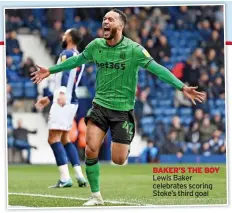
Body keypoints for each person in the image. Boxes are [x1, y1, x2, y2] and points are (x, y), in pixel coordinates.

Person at [31, 9, 205, 205]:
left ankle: (125, 144)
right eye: (104, 19)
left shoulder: (134, 50)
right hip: (99, 106)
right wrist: (50, 70)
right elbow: (76, 61)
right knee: (90, 149)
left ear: (120, 26)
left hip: (122, 111)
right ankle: (96, 195)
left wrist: (182, 87)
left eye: (110, 19)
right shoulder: (96, 45)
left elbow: (158, 69)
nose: (105, 21)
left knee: (119, 159)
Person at [34, 28, 87, 188]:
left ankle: (65, 178)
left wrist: (60, 93)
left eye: (65, 34)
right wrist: (49, 98)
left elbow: (63, 73)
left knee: (53, 138)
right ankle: (79, 175)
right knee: (65, 139)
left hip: (63, 100)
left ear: (69, 38)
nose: (62, 37)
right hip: (72, 101)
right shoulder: (79, 56)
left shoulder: (67, 54)